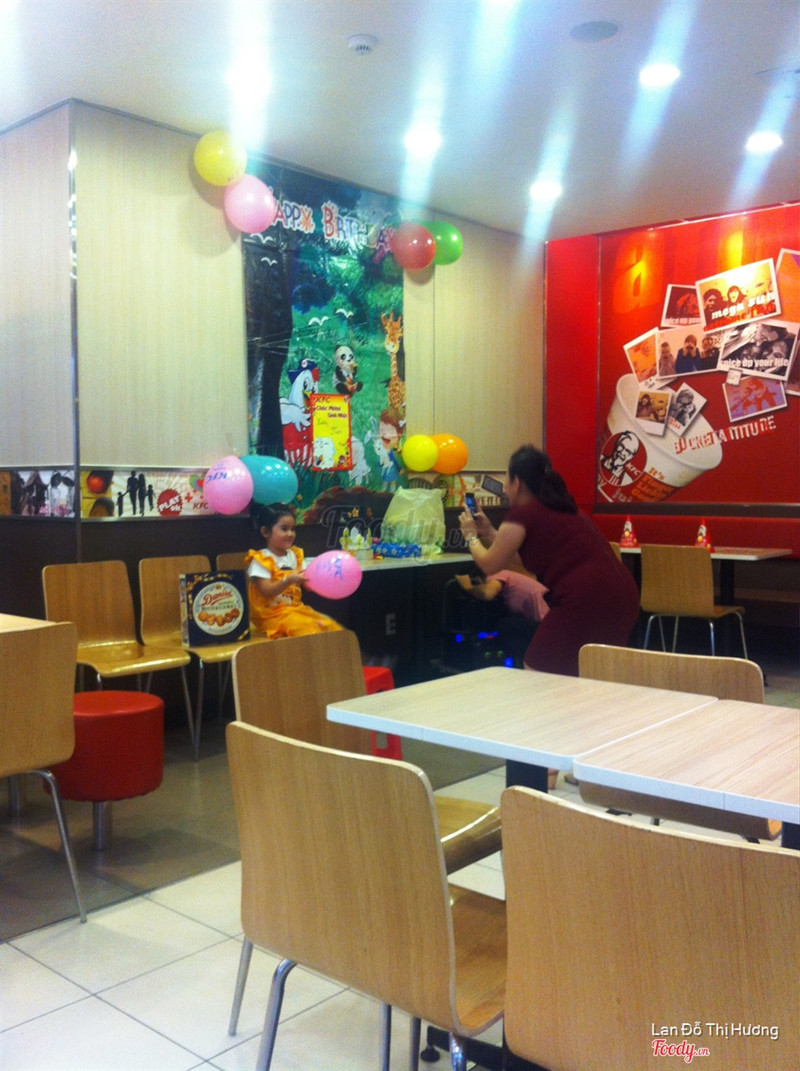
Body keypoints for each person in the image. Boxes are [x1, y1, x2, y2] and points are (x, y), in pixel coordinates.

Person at [458, 445, 640, 678]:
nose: (504, 488)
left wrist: (471, 537)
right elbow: (519, 557)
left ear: (517, 483)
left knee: (538, 667)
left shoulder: (523, 512)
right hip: (623, 595)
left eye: (506, 480)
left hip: (587, 598)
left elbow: (489, 564)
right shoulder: (560, 507)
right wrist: (489, 532)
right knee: (593, 671)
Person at [246, 502, 342, 638]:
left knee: (328, 625)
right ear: (265, 532)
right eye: (284, 529)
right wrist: (288, 580)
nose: (290, 534)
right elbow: (266, 591)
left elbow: (307, 585)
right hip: (270, 615)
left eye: (293, 529)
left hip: (295, 610)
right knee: (308, 628)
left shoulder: (295, 555)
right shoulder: (261, 559)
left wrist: (325, 579)